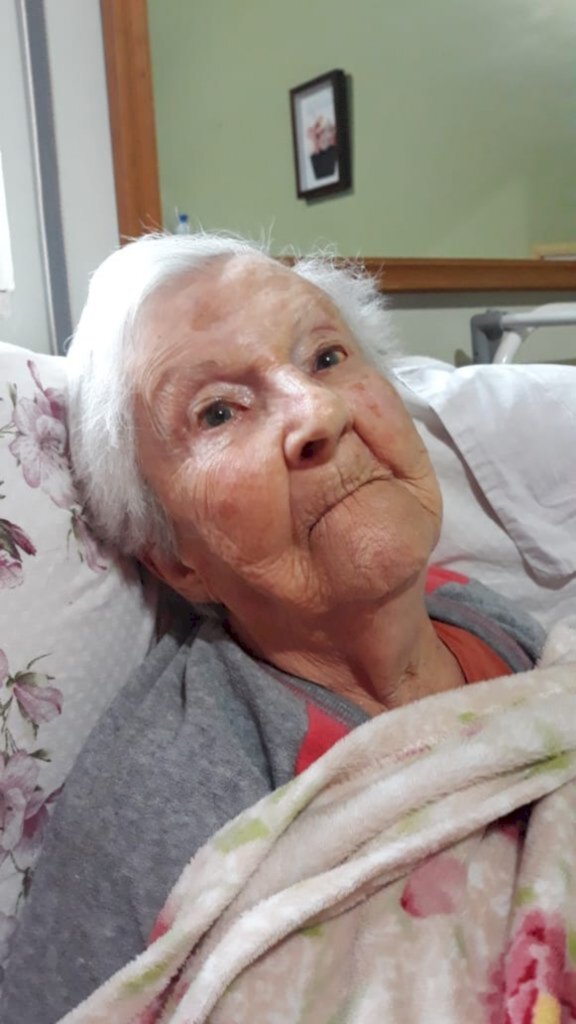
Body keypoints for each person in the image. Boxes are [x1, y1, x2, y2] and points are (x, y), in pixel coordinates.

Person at [1, 234, 545, 1023]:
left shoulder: (482, 617)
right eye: (218, 411)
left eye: (326, 357)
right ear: (175, 560)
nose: (319, 410)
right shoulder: (163, 797)